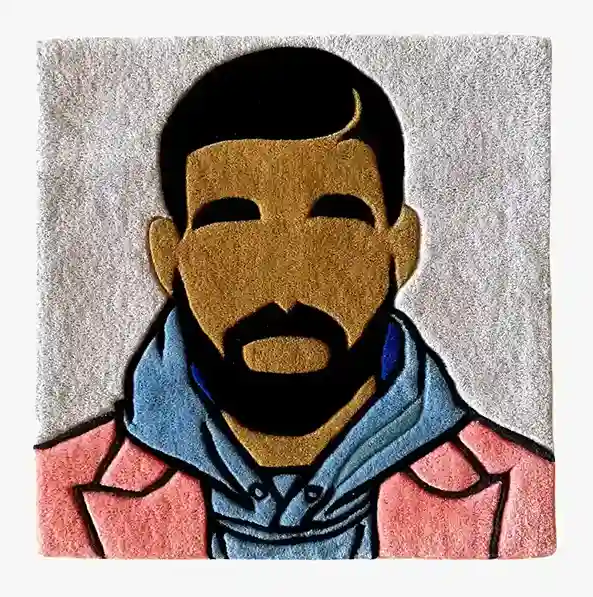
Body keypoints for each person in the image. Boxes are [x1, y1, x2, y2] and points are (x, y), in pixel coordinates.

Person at [36, 46, 555, 559]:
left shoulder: (537, 499)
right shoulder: (38, 500)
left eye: (335, 217)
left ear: (401, 246)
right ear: (169, 255)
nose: (285, 279)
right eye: (232, 220)